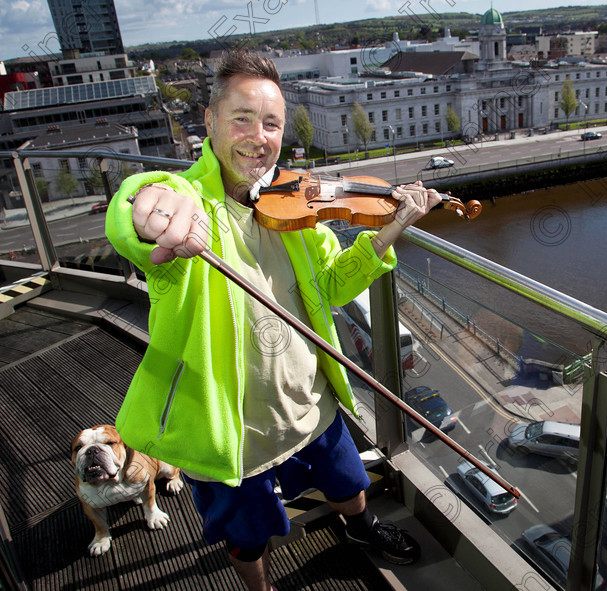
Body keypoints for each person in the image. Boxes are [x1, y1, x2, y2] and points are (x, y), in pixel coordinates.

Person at [105, 48, 441, 591]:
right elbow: (137, 212)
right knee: (249, 533)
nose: (258, 136)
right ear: (209, 121)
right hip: (234, 441)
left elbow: (332, 282)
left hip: (310, 406)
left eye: (271, 123)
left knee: (350, 484)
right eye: (241, 118)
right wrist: (144, 208)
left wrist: (388, 231)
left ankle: (360, 528)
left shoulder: (295, 204)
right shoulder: (192, 207)